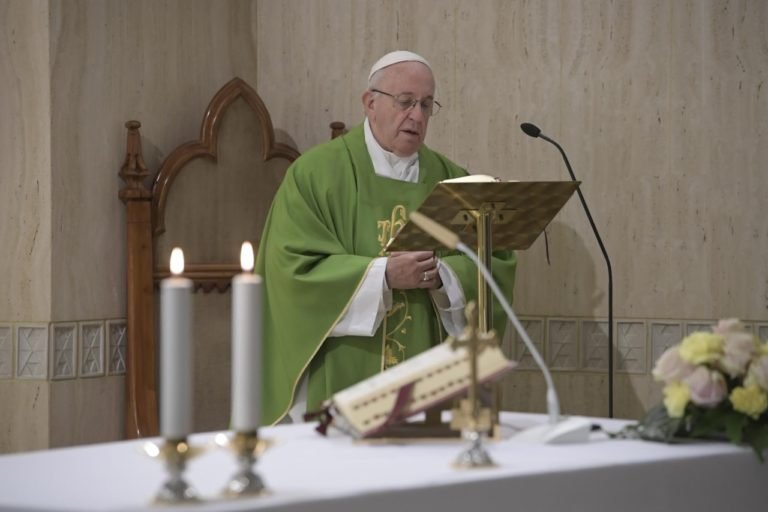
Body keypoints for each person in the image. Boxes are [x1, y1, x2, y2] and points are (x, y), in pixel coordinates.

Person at [255, 50, 517, 425]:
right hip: (344, 371)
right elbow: (291, 270)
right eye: (406, 102)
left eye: (427, 105)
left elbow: (493, 262)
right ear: (370, 103)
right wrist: (384, 276)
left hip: (430, 379)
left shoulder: (452, 179)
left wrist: (442, 275)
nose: (417, 116)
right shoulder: (315, 175)